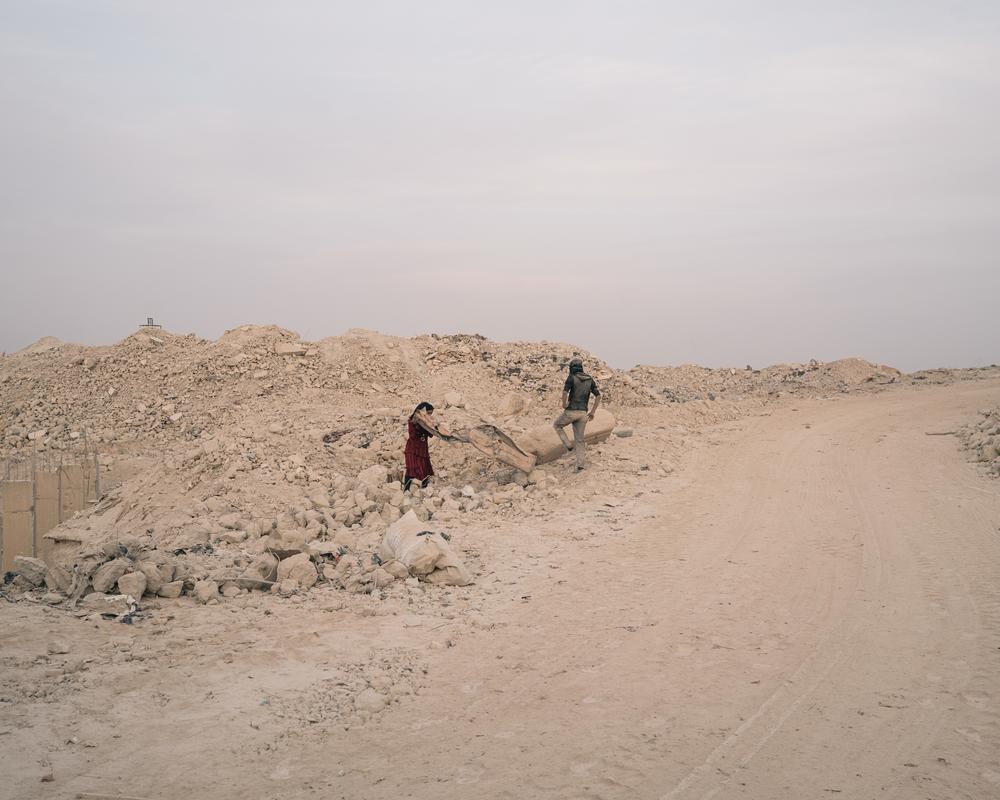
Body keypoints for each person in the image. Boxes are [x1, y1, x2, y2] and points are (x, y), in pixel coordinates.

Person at [554, 357, 601, 471]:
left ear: (571, 368)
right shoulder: (589, 379)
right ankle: (580, 465)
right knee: (579, 440)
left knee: (557, 425)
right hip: (583, 413)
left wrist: (564, 404)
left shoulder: (571, 377)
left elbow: (565, 392)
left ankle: (568, 445)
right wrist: (592, 412)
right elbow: (598, 396)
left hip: (571, 411)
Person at [404, 402, 438, 490]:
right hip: (413, 449)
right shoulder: (413, 420)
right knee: (411, 469)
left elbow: (431, 433)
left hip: (422, 449)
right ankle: (406, 490)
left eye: (430, 414)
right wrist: (423, 426)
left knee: (425, 470)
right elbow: (413, 435)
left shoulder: (426, 422)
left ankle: (424, 491)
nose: (429, 416)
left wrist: (434, 426)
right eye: (428, 413)